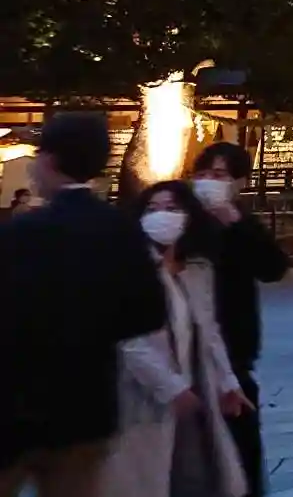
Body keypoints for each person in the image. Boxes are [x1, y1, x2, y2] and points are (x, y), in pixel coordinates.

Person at [0, 113, 169, 497]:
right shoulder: (121, 229)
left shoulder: (21, 233)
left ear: (49, 160)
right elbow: (149, 313)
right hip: (87, 406)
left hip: (16, 407)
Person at [105, 181, 251, 497]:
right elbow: (130, 340)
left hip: (194, 388)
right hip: (145, 396)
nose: (162, 216)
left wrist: (228, 381)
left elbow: (208, 330)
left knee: (195, 474)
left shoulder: (197, 270)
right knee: (148, 477)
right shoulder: (132, 269)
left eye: (171, 208)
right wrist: (171, 387)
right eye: (152, 209)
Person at [191, 143, 288, 496]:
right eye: (202, 174)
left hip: (234, 353)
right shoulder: (183, 222)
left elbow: (273, 267)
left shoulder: (243, 225)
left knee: (241, 450)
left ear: (239, 182)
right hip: (187, 354)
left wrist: (234, 223)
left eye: (218, 175)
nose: (208, 182)